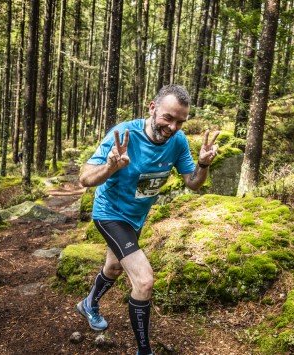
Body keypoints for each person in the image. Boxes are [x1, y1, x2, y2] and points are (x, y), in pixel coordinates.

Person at [77, 84, 219, 355]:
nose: (174, 126)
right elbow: (85, 178)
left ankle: (88, 304)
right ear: (152, 108)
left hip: (135, 219)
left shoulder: (177, 142)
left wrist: (203, 165)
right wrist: (110, 166)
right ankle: (145, 351)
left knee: (114, 268)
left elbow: (193, 183)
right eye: (168, 117)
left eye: (180, 121)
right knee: (143, 281)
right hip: (109, 214)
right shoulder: (124, 133)